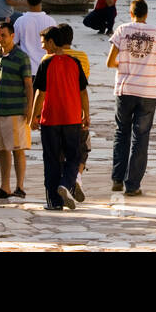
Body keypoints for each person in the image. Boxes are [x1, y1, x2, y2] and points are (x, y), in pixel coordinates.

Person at [107, 0, 156, 196]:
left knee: (121, 133)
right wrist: (151, 65)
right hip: (147, 91)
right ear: (146, 14)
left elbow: (110, 62)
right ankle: (132, 185)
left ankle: (117, 179)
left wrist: (126, 65)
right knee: (141, 138)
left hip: (125, 90)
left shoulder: (122, 30)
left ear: (131, 12)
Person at [29, 26, 90, 210]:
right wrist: (86, 113)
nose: (42, 47)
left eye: (43, 43)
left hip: (51, 119)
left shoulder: (45, 63)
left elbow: (40, 93)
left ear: (51, 42)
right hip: (72, 118)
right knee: (74, 156)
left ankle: (54, 202)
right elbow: (83, 91)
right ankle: (66, 184)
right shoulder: (74, 62)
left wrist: (33, 116)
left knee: (51, 160)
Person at [0, 20, 33, 200]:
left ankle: (20, 186)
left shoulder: (21, 57)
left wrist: (30, 108)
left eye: (3, 35)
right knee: (2, 149)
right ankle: (5, 186)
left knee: (17, 148)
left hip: (15, 110)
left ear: (12, 36)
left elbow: (28, 85)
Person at [58, 23, 92, 201]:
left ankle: (64, 181)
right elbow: (83, 87)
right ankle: (77, 178)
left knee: (61, 151)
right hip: (76, 110)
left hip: (56, 112)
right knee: (82, 148)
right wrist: (87, 113)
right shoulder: (82, 57)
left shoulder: (50, 57)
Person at [13, 0, 56, 67]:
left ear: (27, 1)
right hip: (45, 66)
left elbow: (12, 43)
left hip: (26, 67)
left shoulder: (20, 21)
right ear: (41, 0)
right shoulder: (51, 21)